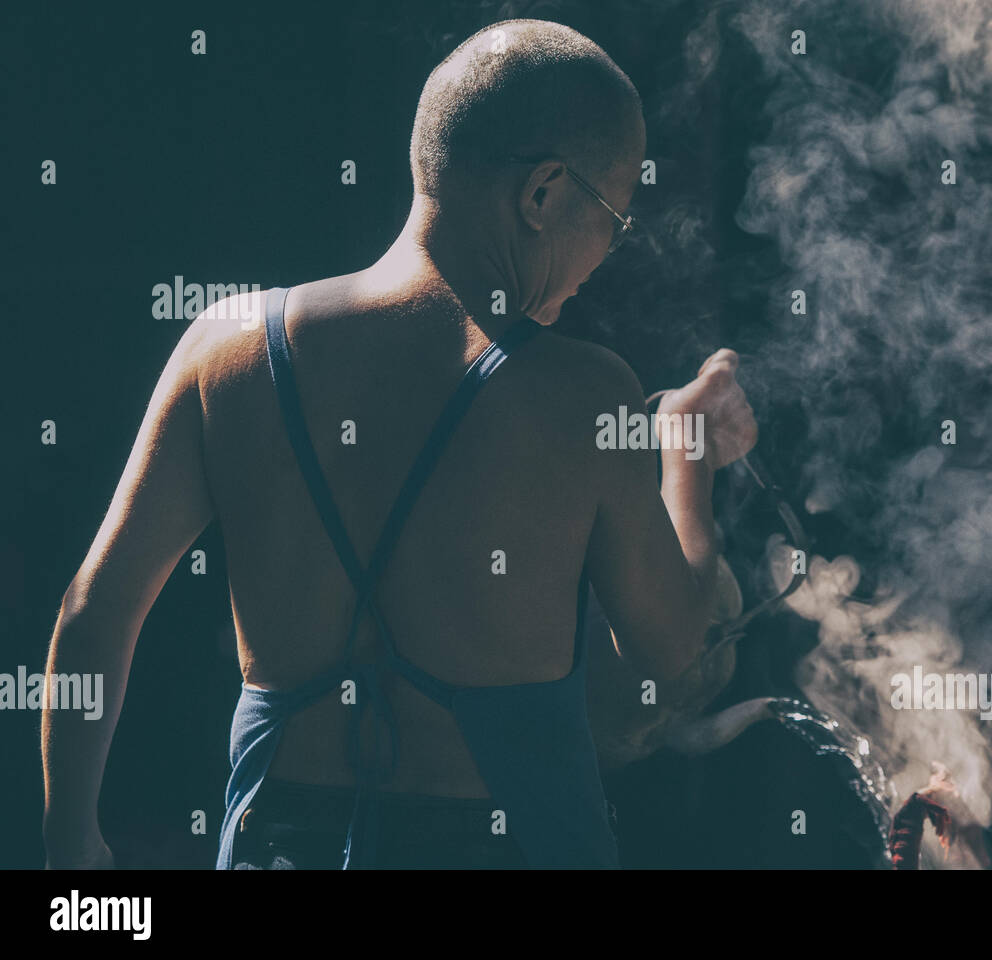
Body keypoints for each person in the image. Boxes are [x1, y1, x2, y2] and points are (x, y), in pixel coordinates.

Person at [40, 18, 756, 869]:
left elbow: (93, 616)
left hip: (282, 845)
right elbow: (671, 648)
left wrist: (70, 842)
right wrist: (685, 454)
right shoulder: (583, 394)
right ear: (543, 193)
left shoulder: (225, 346)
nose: (609, 248)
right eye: (614, 216)